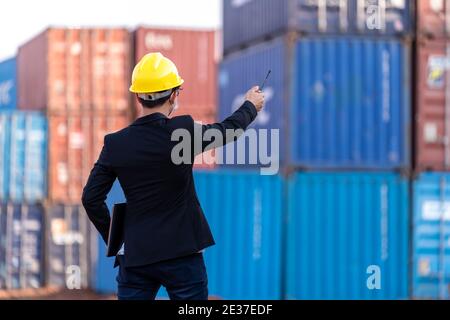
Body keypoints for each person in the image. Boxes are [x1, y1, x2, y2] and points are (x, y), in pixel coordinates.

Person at [82, 52, 265, 300]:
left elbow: (91, 198)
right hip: (183, 253)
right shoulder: (183, 131)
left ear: (137, 96)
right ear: (174, 94)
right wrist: (250, 106)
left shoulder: (115, 144)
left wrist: (118, 243)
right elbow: (228, 131)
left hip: (136, 257)